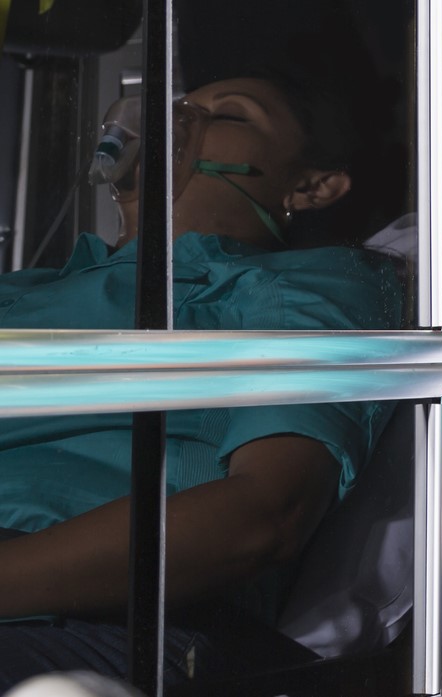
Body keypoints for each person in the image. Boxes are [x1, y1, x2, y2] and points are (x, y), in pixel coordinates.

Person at [0, 73, 402, 689]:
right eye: (172, 107)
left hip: (100, 626)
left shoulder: (304, 286)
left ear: (313, 185)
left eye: (230, 115)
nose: (178, 119)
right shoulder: (28, 291)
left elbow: (266, 513)